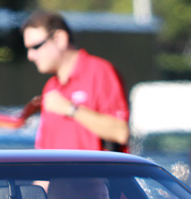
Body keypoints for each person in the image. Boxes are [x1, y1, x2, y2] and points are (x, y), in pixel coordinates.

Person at [21, 11, 130, 152]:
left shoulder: (99, 72)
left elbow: (120, 132)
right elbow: (43, 150)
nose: (30, 56)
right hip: (61, 174)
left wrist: (70, 108)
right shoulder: (51, 87)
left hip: (96, 174)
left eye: (36, 46)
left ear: (60, 39)